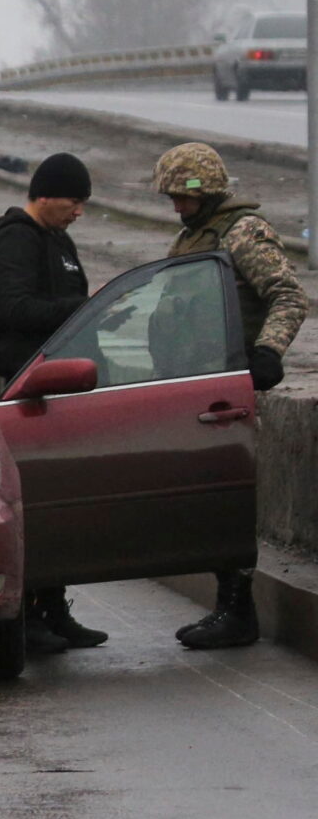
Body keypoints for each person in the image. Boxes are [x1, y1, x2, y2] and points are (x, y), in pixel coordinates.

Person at [151, 142, 307, 650]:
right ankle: (226, 606)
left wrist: (268, 352)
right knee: (209, 501)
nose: (176, 206)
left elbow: (287, 295)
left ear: (208, 191)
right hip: (193, 388)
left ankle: (238, 611)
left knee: (229, 501)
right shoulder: (192, 238)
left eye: (182, 197)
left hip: (227, 392)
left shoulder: (243, 233)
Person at [0, 152, 107, 652]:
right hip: (27, 391)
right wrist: (83, 310)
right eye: (74, 202)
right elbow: (15, 309)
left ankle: (55, 608)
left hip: (61, 385)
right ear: (47, 195)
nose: (79, 212)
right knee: (29, 503)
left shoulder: (59, 240)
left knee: (60, 503)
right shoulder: (15, 238)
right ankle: (28, 616)